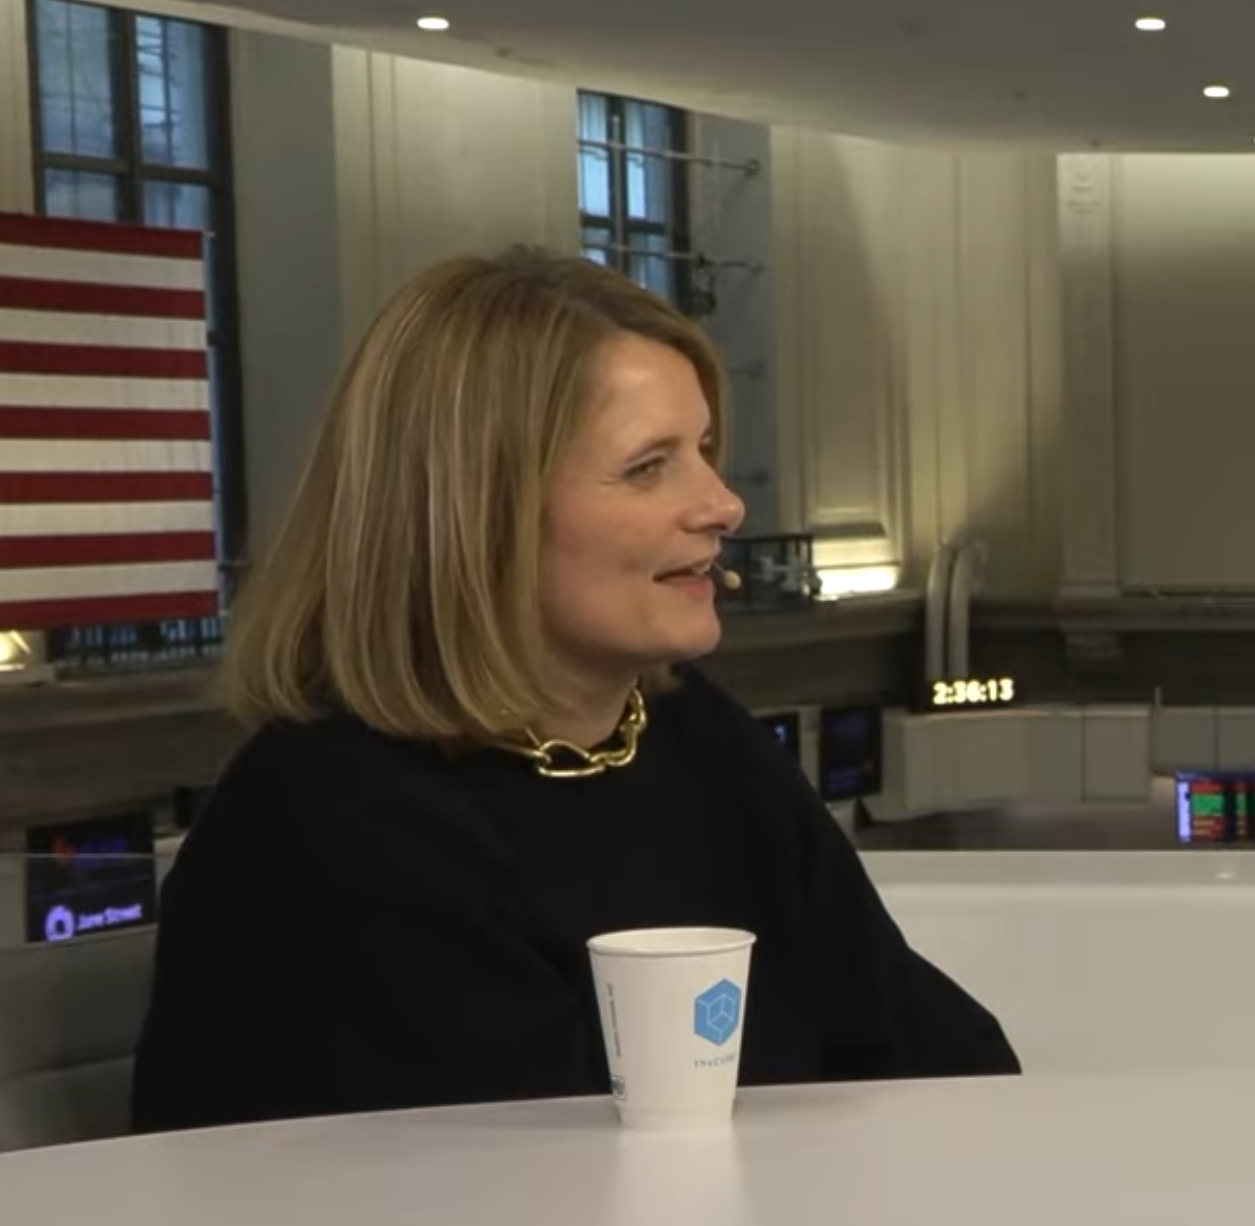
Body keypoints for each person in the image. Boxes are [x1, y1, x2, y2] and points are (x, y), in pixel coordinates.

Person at [130, 249, 1017, 1132]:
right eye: (648, 466)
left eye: (704, 451)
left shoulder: (693, 731)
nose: (722, 503)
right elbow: (533, 1198)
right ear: (481, 512)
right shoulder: (333, 820)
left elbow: (933, 1046)